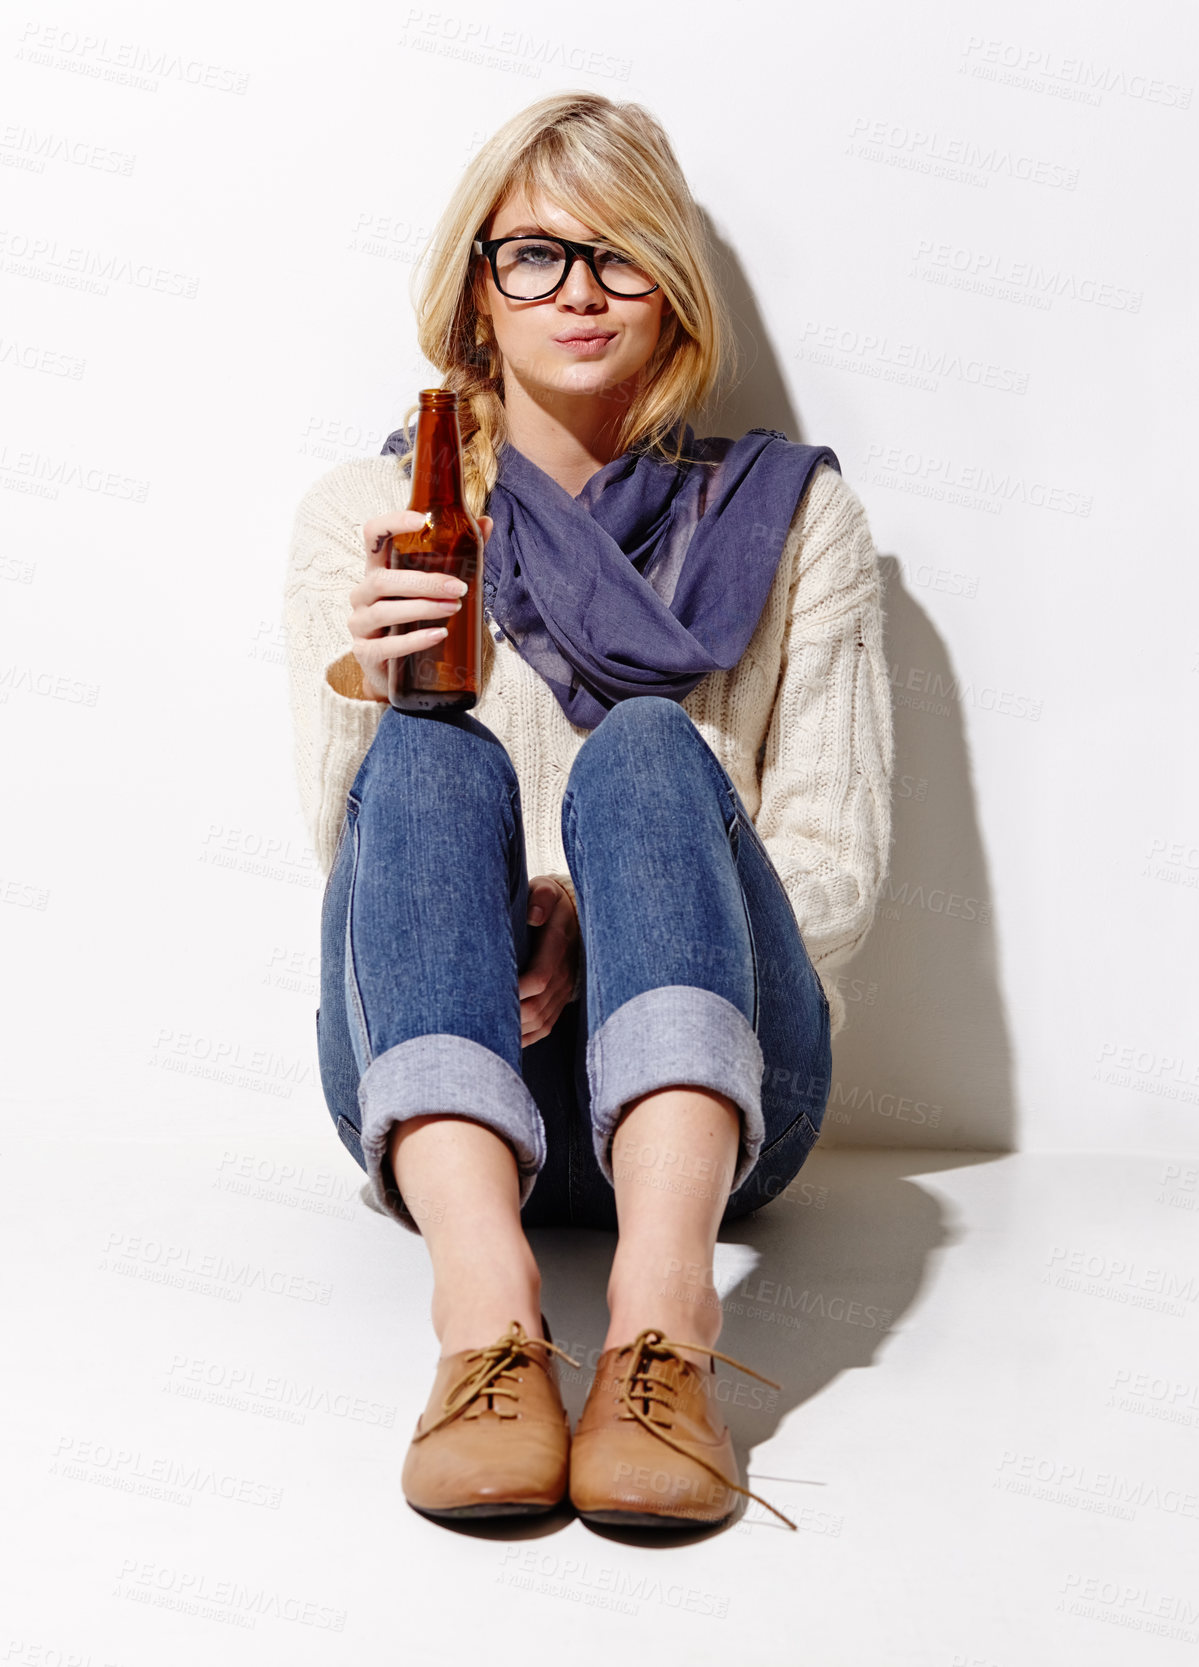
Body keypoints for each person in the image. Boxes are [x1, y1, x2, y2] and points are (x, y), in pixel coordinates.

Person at [283, 91, 893, 1532]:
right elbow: (355, 864)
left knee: (645, 750)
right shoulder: (372, 511)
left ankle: (662, 1335)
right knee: (425, 759)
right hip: (452, 1069)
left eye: (621, 255)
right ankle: (485, 1331)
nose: (580, 292)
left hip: (725, 1098)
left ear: (674, 293)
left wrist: (604, 923)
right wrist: (366, 687)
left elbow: (834, 871)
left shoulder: (795, 521)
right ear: (476, 288)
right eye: (538, 254)